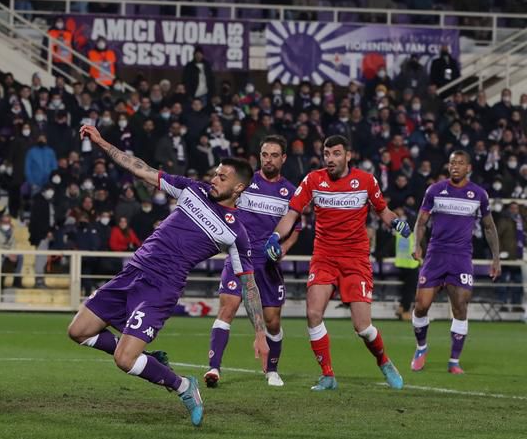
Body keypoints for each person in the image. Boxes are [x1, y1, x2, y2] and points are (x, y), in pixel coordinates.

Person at [68, 124, 263, 427]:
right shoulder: (193, 189)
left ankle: (184, 386)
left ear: (238, 188)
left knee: (124, 360)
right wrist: (102, 143)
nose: (214, 179)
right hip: (133, 271)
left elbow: (249, 285)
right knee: (78, 331)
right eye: (215, 173)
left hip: (161, 287)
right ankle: (149, 358)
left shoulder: (236, 233)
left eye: (222, 177)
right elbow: (141, 169)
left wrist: (260, 333)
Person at [265, 135, 409, 391]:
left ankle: (384, 361)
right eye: (327, 153)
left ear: (348, 155)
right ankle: (328, 375)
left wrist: (396, 221)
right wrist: (276, 236)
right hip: (324, 256)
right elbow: (292, 213)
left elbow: (382, 210)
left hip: (355, 259)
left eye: (336, 153)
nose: (330, 159)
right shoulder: (313, 179)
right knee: (313, 314)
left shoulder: (365, 181)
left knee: (363, 328)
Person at [206, 135, 297, 389]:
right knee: (227, 309)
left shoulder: (290, 192)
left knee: (272, 321)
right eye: (265, 155)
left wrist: (284, 249)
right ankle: (214, 368)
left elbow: (296, 229)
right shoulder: (245, 182)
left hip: (268, 265)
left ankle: (272, 370)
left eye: (274, 155)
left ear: (283, 158)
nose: (268, 160)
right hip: (239, 257)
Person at [410, 151, 501, 374]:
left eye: (460, 163)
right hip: (436, 254)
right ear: (448, 166)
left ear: (468, 167)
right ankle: (421, 348)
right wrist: (417, 244)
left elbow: (489, 227)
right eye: (452, 163)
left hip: (461, 257)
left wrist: (496, 258)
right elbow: (421, 222)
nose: (455, 167)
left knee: (460, 306)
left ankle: (454, 361)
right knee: (421, 305)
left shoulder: (478, 194)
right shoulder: (435, 190)